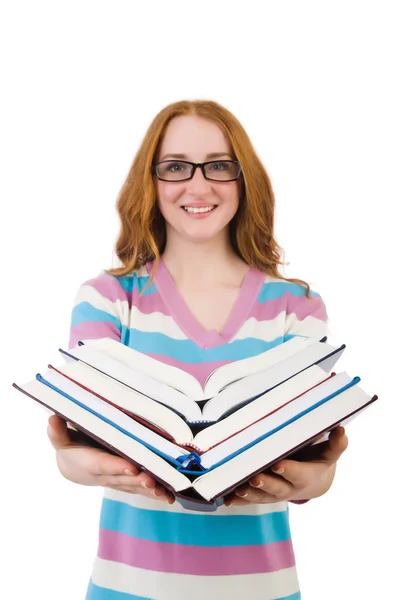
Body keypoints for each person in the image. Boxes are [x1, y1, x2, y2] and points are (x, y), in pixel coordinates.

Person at [47, 99, 349, 600]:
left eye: (219, 166)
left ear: (243, 178)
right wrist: (72, 462)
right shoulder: (108, 298)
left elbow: (315, 467)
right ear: (151, 181)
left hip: (262, 590)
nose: (199, 185)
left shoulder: (297, 307)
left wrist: (316, 478)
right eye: (175, 167)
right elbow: (80, 447)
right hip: (128, 589)